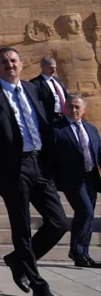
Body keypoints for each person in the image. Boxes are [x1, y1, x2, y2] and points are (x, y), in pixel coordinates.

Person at [0, 46, 68, 296]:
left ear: (22, 64)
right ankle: (38, 285)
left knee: (58, 222)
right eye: (3, 62)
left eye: (13, 60)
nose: (9, 65)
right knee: (21, 226)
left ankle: (17, 260)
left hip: (39, 164)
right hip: (12, 169)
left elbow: (45, 125)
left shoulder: (34, 90)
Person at [44, 94, 101, 267]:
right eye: (70, 106)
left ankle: (83, 253)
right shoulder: (55, 129)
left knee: (88, 215)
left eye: (77, 107)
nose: (74, 110)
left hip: (90, 177)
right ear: (64, 108)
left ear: (84, 109)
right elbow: (48, 158)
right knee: (85, 211)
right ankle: (77, 251)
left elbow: (98, 152)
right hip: (71, 179)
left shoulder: (91, 129)